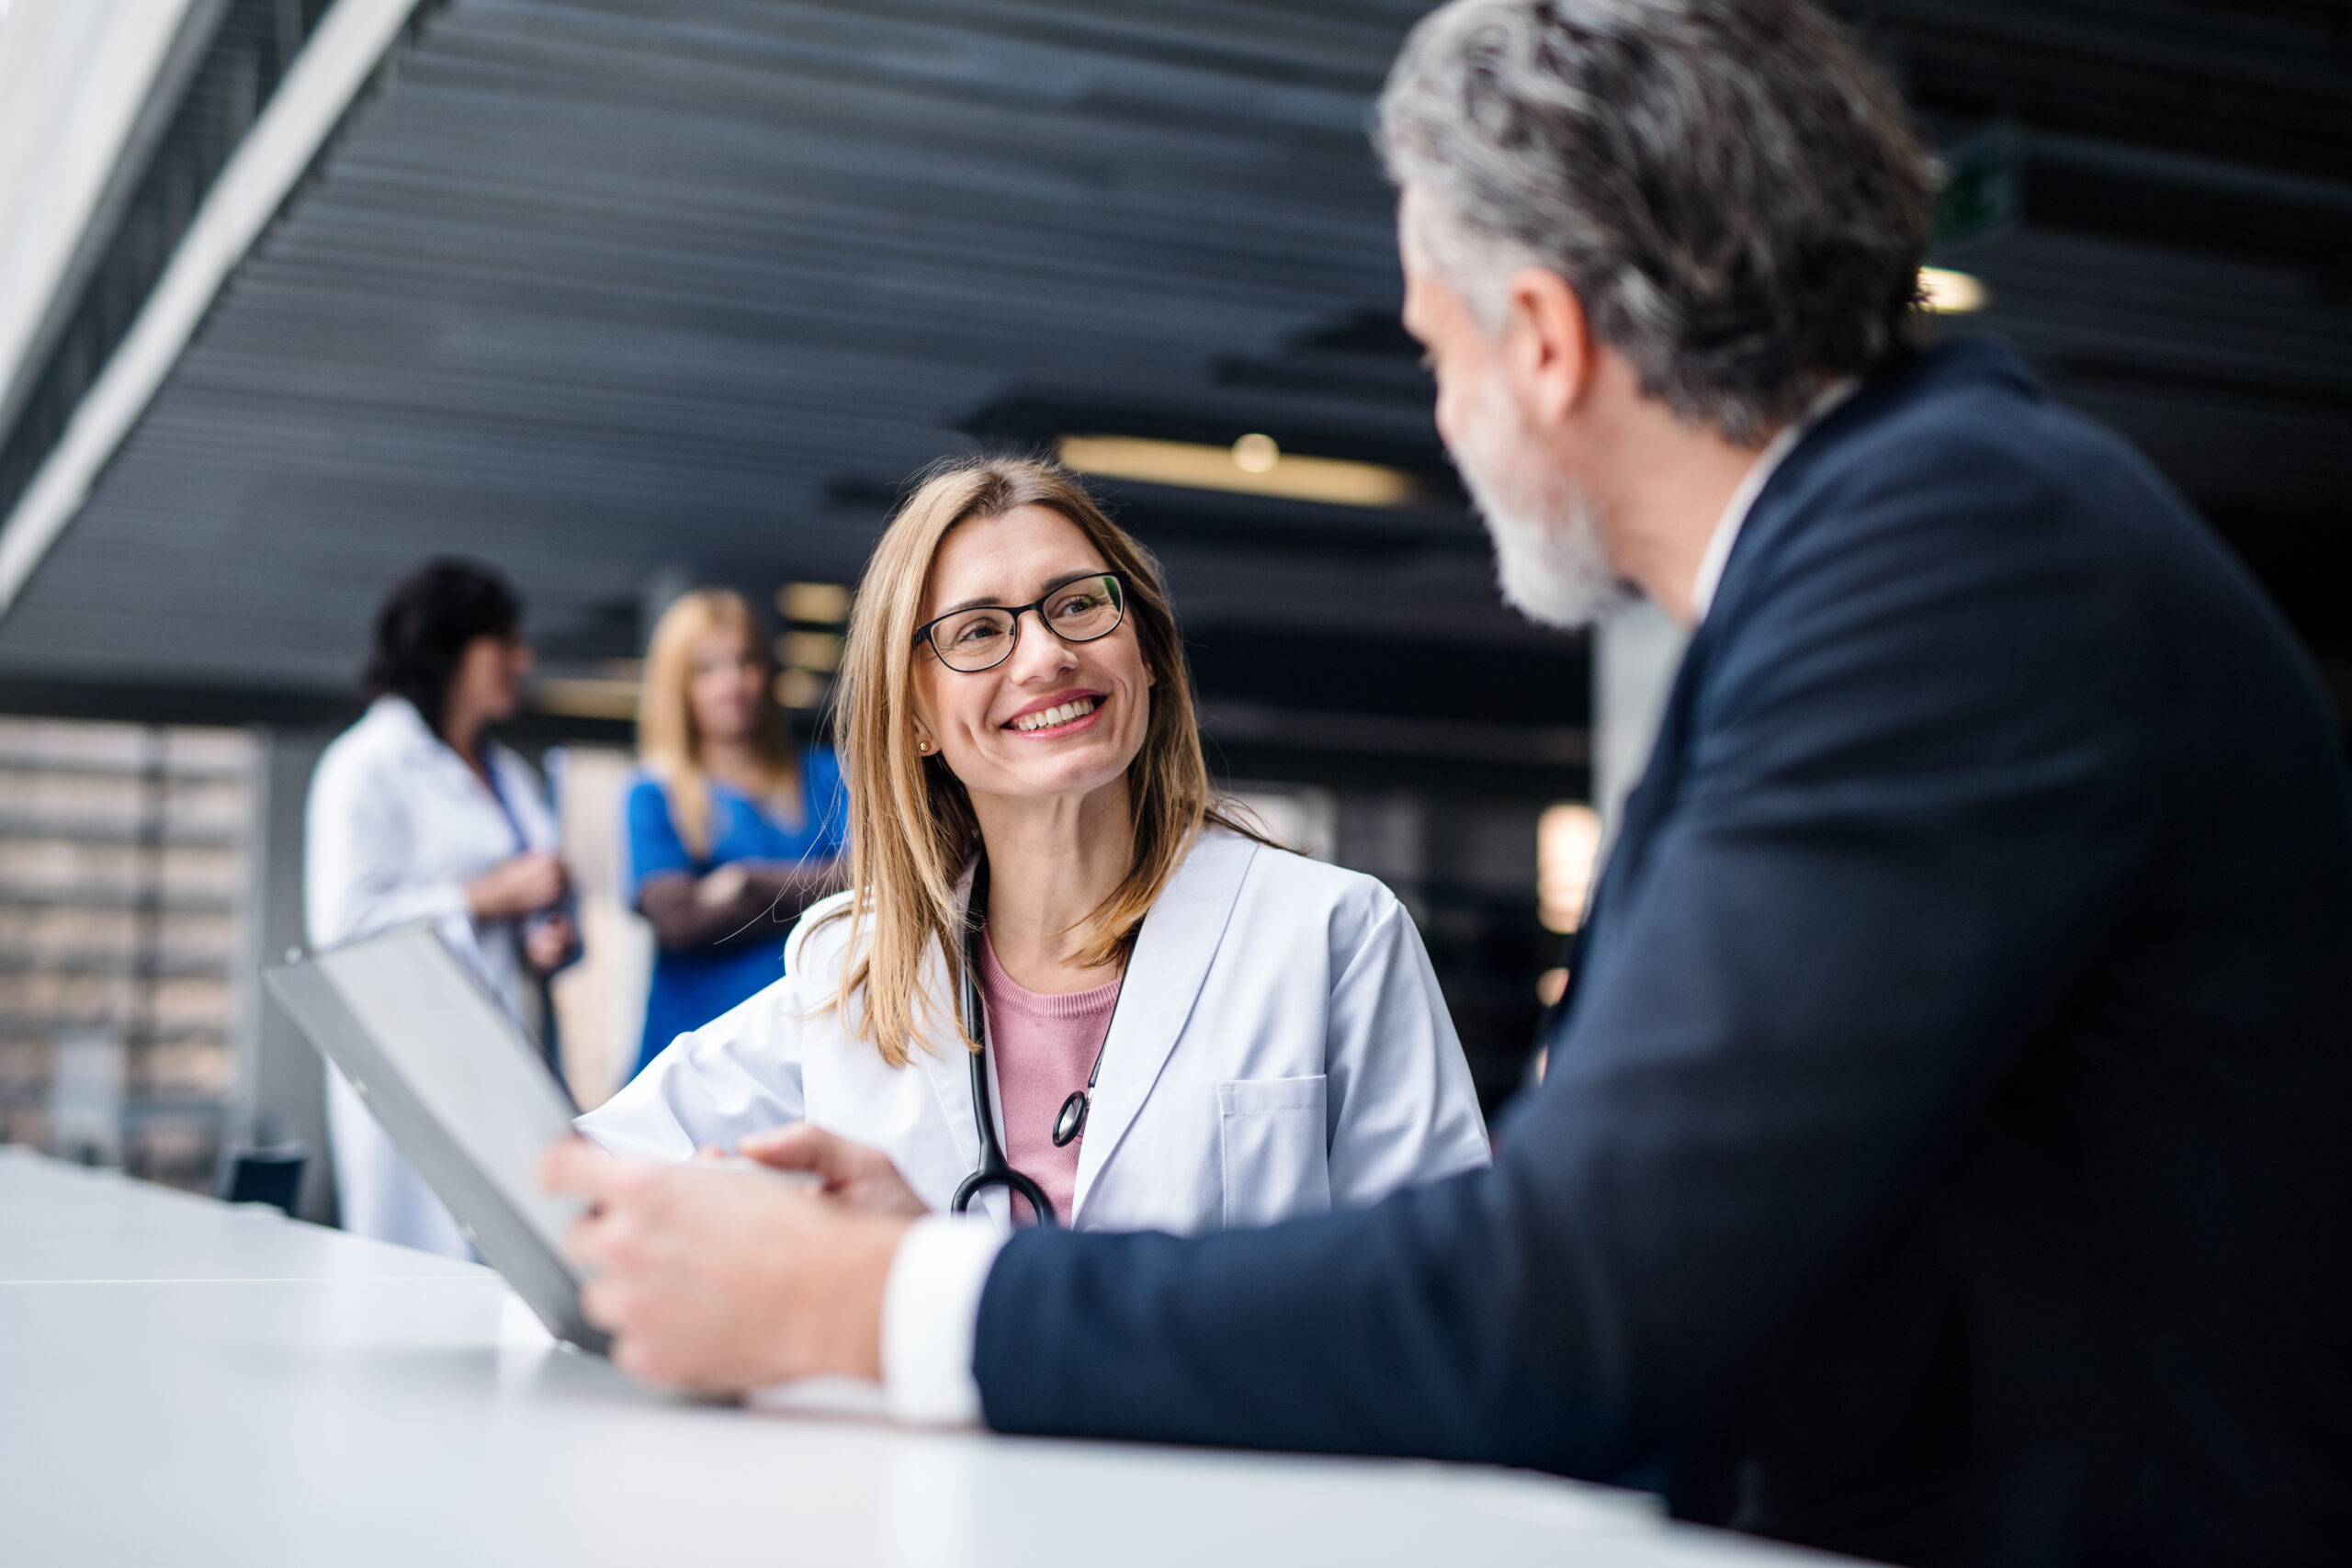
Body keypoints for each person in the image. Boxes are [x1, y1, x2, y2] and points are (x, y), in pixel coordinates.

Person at [544, 2, 2352, 1562]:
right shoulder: (1884, 552)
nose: (1437, 409)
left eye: (1431, 344)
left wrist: (879, 1301)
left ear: (1545, 341)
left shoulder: (1950, 570)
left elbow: (1572, 1296)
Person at [575, 457, 1487, 1240]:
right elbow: (576, 1179)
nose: (1044, 655)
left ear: (1149, 653)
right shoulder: (851, 968)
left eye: (1078, 605)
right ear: (918, 715)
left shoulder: (1331, 933)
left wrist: (939, 1274)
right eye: (978, 631)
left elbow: (1450, 1298)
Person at [311, 559, 574, 1256]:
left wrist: (541, 936)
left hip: (502, 1049)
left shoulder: (511, 774)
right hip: (408, 1054)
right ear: (449, 648)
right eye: (505, 643)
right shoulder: (365, 765)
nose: (525, 660)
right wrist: (487, 897)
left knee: (514, 1260)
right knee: (412, 1266)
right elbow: (342, 928)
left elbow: (528, 906)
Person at [625, 589, 846, 1081]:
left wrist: (744, 884)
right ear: (678, 686)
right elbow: (678, 919)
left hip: (812, 1047)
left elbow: (875, 881)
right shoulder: (653, 793)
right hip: (696, 1053)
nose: (733, 683)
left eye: (746, 661)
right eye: (707, 670)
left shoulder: (827, 776)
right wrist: (820, 885)